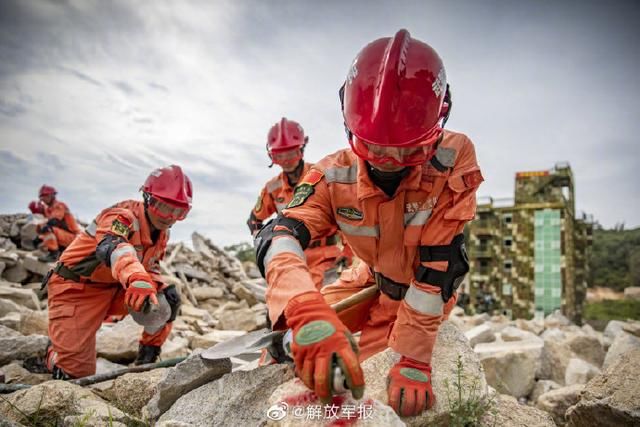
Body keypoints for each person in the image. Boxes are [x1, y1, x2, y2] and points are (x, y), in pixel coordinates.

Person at [255, 29, 483, 417]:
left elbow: (437, 269)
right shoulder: (331, 175)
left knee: (364, 387)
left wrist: (413, 358)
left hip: (417, 295)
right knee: (286, 344)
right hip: (368, 276)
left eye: (404, 149)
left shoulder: (451, 160)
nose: (386, 160)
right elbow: (279, 234)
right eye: (375, 147)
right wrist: (304, 309)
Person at [42, 165, 192, 379]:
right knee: (76, 375)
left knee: (168, 297)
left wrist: (150, 280)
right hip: (76, 289)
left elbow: (152, 266)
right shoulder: (122, 217)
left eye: (179, 211)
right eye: (163, 207)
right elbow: (113, 246)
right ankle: (52, 353)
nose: (170, 217)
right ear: (147, 198)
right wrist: (137, 278)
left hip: (116, 288)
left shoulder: (162, 233)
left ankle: (146, 360)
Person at [247, 118, 352, 288]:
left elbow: (345, 216)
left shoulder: (320, 176)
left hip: (327, 257)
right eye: (279, 156)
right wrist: (263, 249)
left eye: (290, 154)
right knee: (285, 309)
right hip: (291, 256)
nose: (286, 161)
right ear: (271, 156)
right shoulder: (272, 188)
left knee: (327, 304)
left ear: (301, 149)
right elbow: (254, 219)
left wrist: (347, 252)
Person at [28, 185, 81, 262]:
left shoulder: (59, 205)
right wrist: (38, 237)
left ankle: (53, 255)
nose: (43, 199)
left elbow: (54, 221)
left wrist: (41, 235)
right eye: (42, 197)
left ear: (52, 195)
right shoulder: (48, 209)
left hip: (74, 238)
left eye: (45, 196)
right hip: (66, 236)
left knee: (47, 228)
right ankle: (60, 252)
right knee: (41, 228)